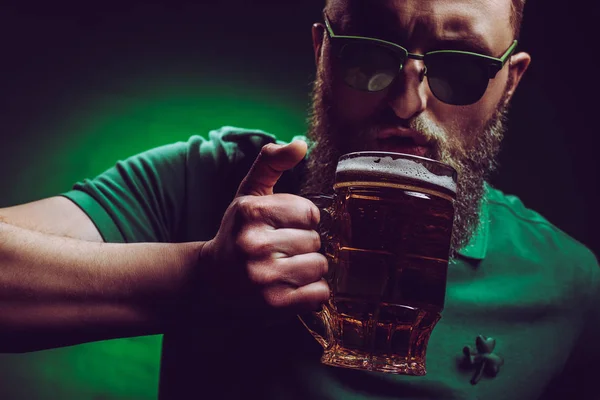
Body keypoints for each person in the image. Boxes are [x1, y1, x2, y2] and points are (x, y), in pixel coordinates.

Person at [0, 0, 598, 399]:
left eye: (461, 69)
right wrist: (197, 275)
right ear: (323, 53)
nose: (405, 105)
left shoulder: (569, 285)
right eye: (367, 52)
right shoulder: (208, 182)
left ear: (510, 81)